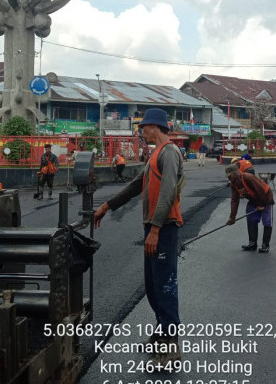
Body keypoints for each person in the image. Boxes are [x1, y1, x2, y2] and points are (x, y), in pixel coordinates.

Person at [93, 108, 185, 365]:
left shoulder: (170, 152)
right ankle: (162, 329)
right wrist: (107, 205)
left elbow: (167, 193)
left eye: (143, 126)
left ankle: (171, 345)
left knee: (165, 284)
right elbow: (137, 186)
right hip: (155, 226)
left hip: (164, 227)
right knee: (153, 284)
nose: (141, 131)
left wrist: (155, 229)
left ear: (155, 126)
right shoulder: (156, 154)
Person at [225, 163, 274, 253]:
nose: (229, 178)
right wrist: (232, 217)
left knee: (267, 221)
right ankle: (252, 243)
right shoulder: (233, 184)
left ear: (236, 173)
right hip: (253, 199)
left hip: (266, 198)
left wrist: (261, 205)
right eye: (228, 176)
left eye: (230, 176)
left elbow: (260, 190)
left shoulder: (248, 177)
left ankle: (265, 245)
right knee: (251, 219)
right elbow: (234, 200)